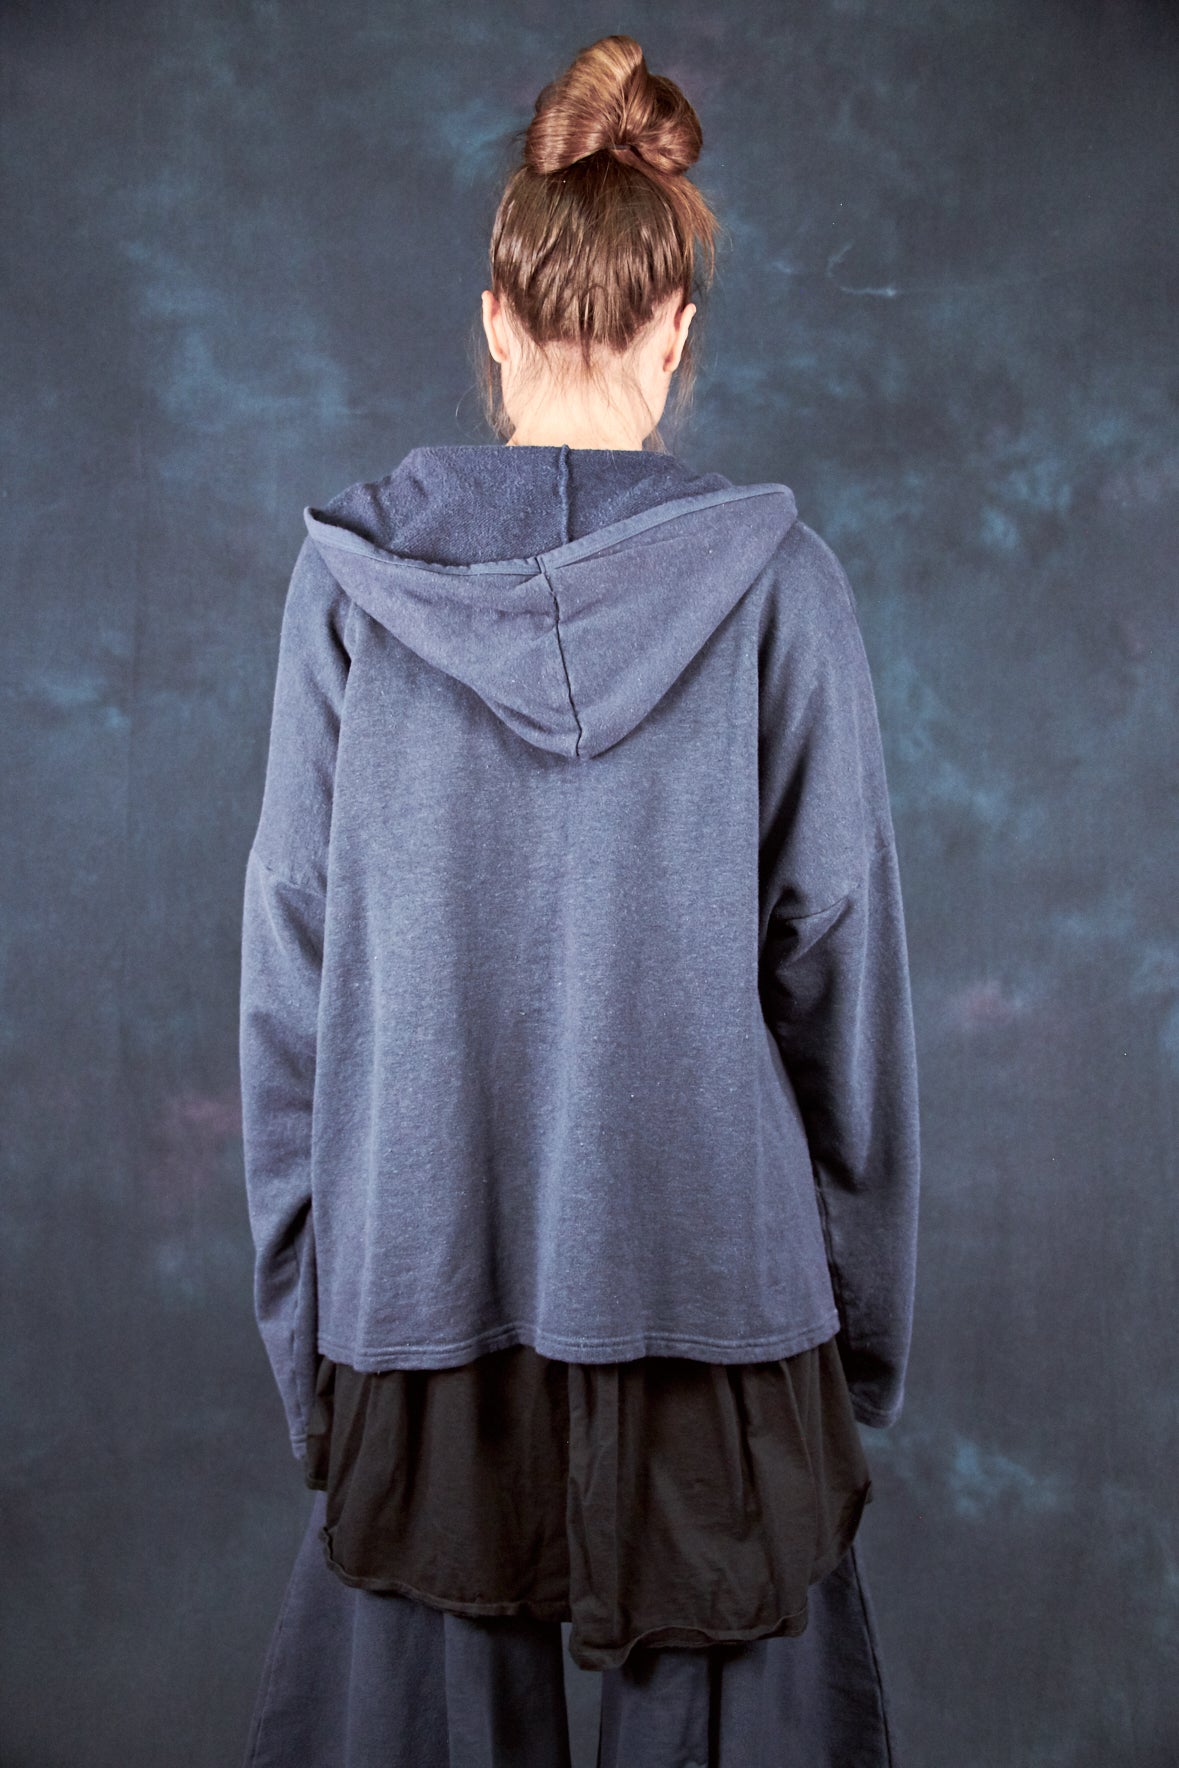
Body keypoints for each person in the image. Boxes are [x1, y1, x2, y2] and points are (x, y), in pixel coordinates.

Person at [238, 32, 919, 1768]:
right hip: (718, 1303)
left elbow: (290, 978)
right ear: (677, 330)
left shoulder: (348, 599)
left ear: (495, 318)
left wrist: (315, 1340)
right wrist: (854, 1361)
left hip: (420, 1292)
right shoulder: (785, 590)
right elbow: (843, 987)